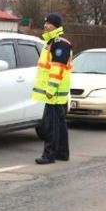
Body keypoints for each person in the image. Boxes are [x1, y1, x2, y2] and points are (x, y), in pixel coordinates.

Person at [31, 13, 73, 165]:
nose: (45, 25)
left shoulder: (59, 43)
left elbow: (57, 69)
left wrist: (51, 89)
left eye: (49, 23)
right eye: (45, 23)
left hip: (53, 93)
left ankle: (49, 155)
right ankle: (62, 153)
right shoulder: (51, 42)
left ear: (56, 26)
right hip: (55, 93)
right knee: (59, 124)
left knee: (51, 125)